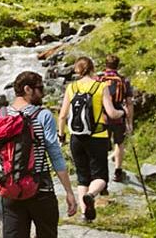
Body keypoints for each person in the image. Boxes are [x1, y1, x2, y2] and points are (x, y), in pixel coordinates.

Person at [0, 71, 80, 238]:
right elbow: (55, 155)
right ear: (28, 89)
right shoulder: (43, 115)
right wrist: (69, 192)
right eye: (40, 88)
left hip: (10, 191)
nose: (43, 93)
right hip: (41, 189)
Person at [58, 56, 116, 222]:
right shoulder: (101, 86)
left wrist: (61, 135)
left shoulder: (72, 87)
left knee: (82, 176)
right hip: (97, 137)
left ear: (77, 69)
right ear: (92, 68)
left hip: (76, 138)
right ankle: (91, 195)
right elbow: (111, 113)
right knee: (101, 177)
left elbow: (62, 115)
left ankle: (85, 215)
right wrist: (122, 113)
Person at [93, 55, 135, 183]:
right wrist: (130, 122)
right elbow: (129, 103)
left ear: (105, 65)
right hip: (118, 116)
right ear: (118, 65)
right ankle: (118, 170)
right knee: (119, 143)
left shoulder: (99, 79)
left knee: (100, 145)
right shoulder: (123, 81)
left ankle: (101, 173)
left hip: (102, 116)